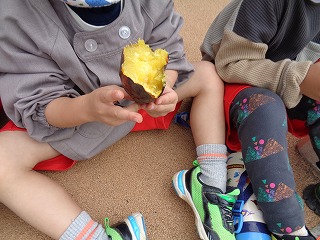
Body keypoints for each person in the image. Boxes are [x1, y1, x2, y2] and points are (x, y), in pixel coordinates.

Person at [0, 0, 237, 239]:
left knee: (208, 75)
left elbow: (169, 51)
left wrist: (165, 89)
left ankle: (211, 184)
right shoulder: (19, 15)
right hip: (76, 120)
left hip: (138, 106)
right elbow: (40, 105)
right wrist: (86, 108)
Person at [199, 0, 320, 239]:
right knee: (266, 107)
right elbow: (229, 64)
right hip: (229, 86)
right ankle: (289, 227)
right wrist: (300, 78)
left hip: (286, 88)